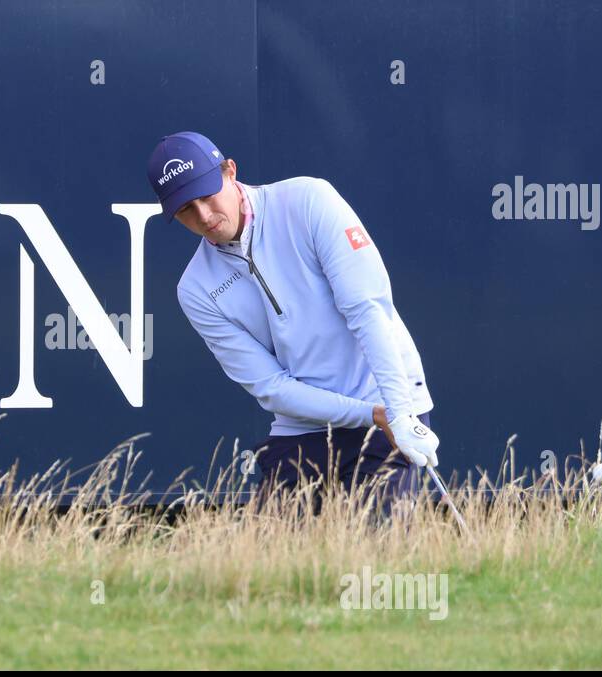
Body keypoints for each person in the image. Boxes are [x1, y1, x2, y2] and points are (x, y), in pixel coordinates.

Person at [147, 131, 440, 517]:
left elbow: (367, 310)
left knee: (375, 564)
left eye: (206, 196)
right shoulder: (197, 288)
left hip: (388, 398)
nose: (204, 216)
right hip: (304, 425)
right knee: (270, 563)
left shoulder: (308, 201)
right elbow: (272, 388)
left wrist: (398, 413)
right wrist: (370, 414)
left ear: (230, 171)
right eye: (185, 209)